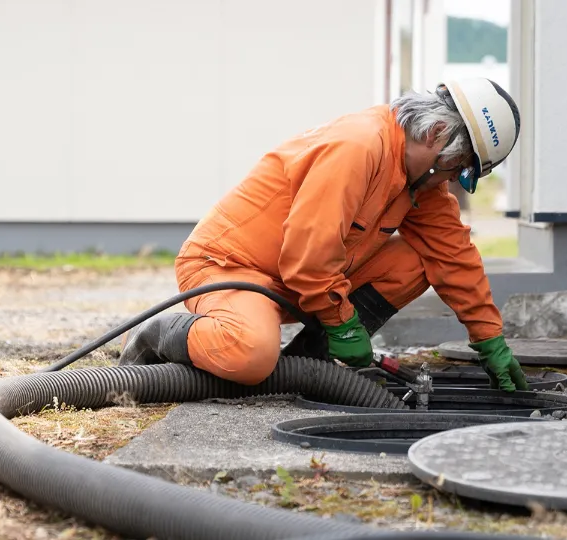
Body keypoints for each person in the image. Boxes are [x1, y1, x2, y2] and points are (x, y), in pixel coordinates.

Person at [118, 78, 529, 392]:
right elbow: (308, 256)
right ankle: (161, 334)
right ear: (437, 133)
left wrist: (489, 338)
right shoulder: (359, 146)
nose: (454, 179)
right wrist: (344, 324)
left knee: (420, 259)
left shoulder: (421, 180)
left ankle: (308, 362)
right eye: (459, 166)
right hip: (231, 268)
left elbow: (452, 254)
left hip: (296, 279)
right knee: (250, 355)